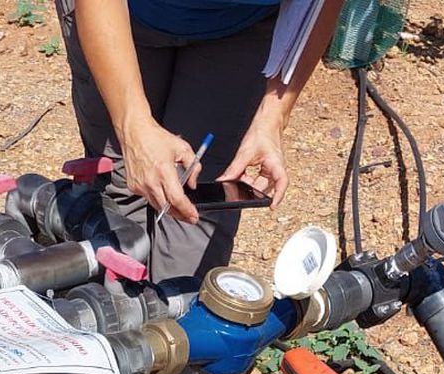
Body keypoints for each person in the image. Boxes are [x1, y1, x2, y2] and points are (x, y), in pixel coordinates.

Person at [57, 0, 347, 281]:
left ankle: (177, 308)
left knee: (197, 210)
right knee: (120, 191)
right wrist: (133, 129)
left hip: (239, 29)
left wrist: (272, 117)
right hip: (122, 14)